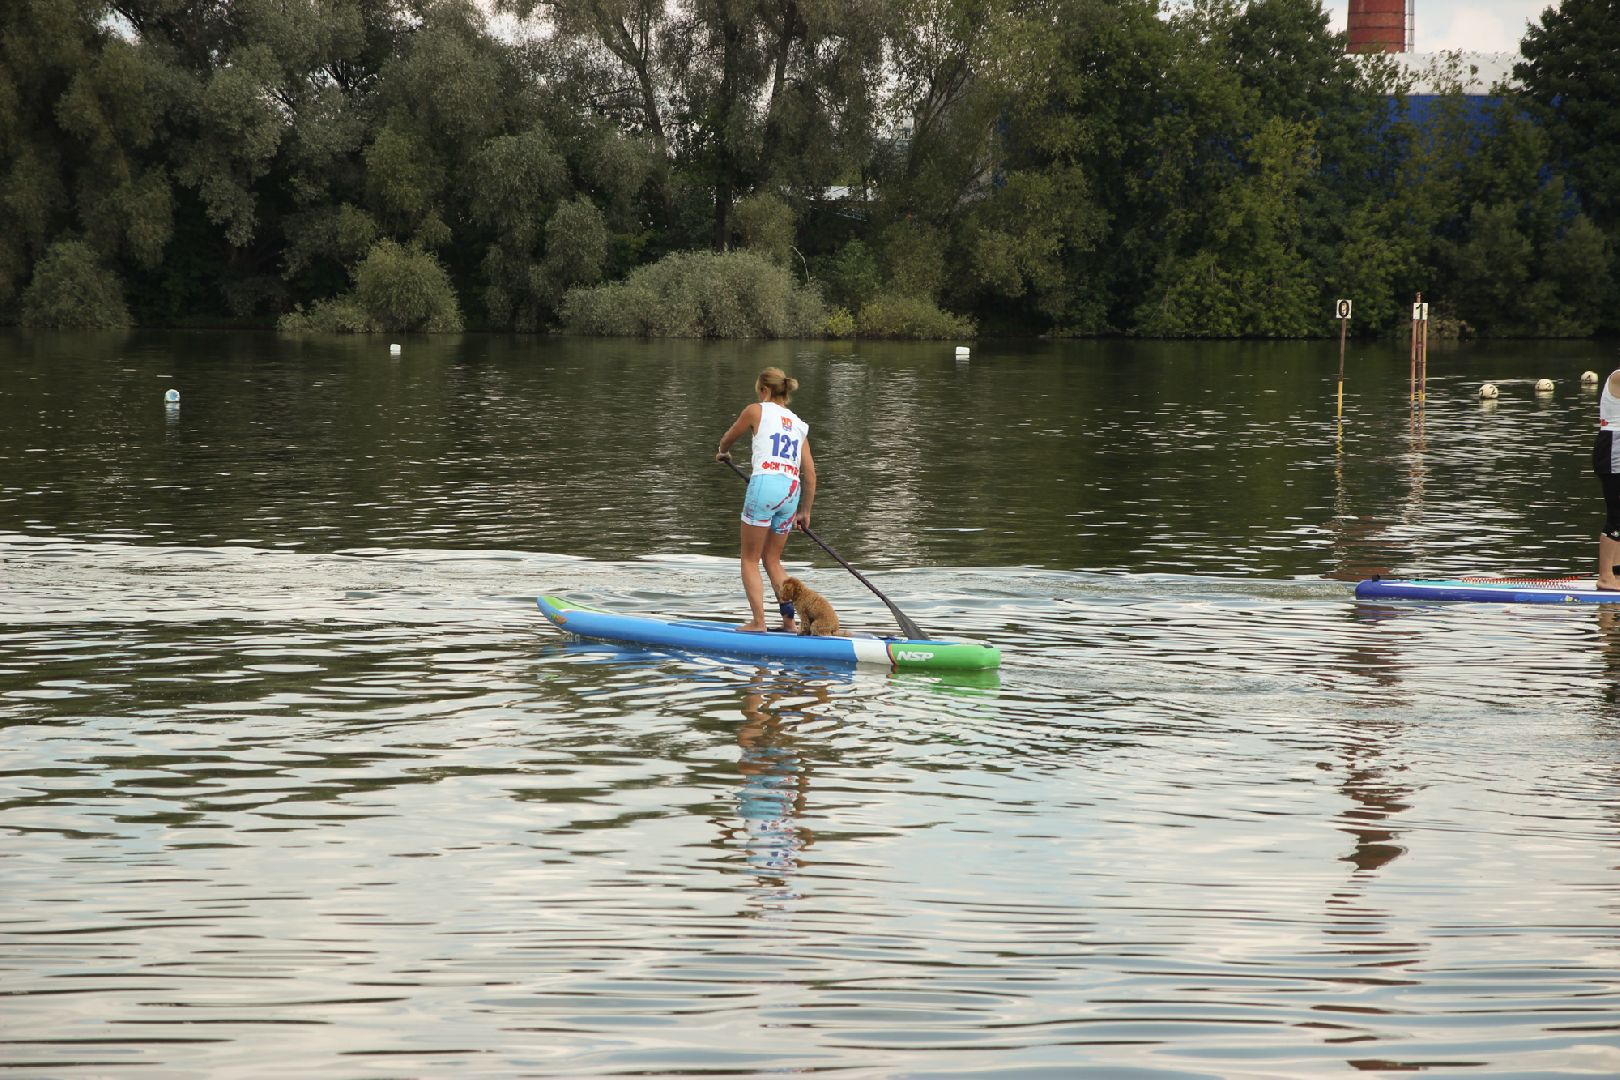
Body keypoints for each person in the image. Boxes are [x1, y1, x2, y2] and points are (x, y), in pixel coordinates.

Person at [715, 368, 816, 631]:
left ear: (764, 390)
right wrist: (805, 511)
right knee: (772, 560)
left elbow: (728, 439)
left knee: (749, 559)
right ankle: (790, 623)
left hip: (765, 487)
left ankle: (759, 622)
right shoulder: (799, 423)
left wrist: (723, 452)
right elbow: (811, 475)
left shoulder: (755, 410)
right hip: (791, 492)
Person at [1596, 367, 1620, 590]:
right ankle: (1605, 578)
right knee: (1617, 515)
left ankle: (1616, 574)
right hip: (1614, 448)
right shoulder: (1618, 375)